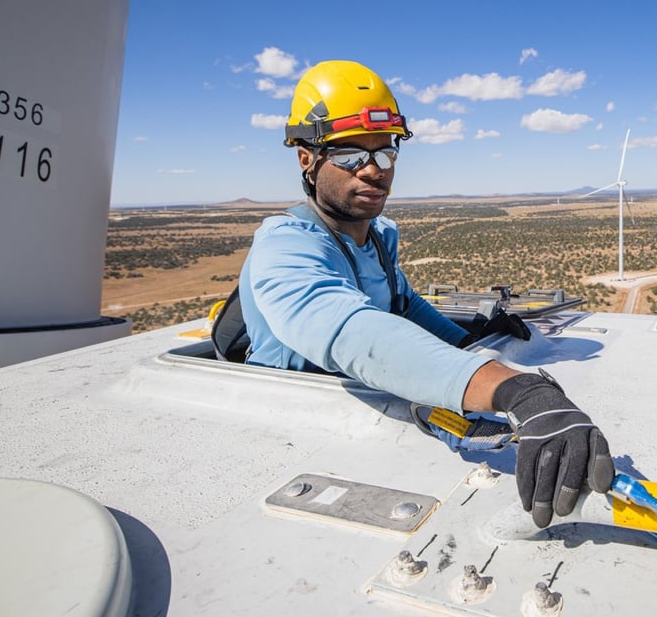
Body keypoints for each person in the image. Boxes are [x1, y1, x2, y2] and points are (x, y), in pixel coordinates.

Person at [239, 60, 613, 527]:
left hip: (367, 403)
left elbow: (403, 306)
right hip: (291, 425)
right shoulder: (285, 246)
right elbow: (351, 332)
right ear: (306, 159)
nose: (375, 170)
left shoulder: (377, 236)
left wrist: (469, 338)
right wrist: (517, 389)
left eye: (385, 152)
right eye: (353, 154)